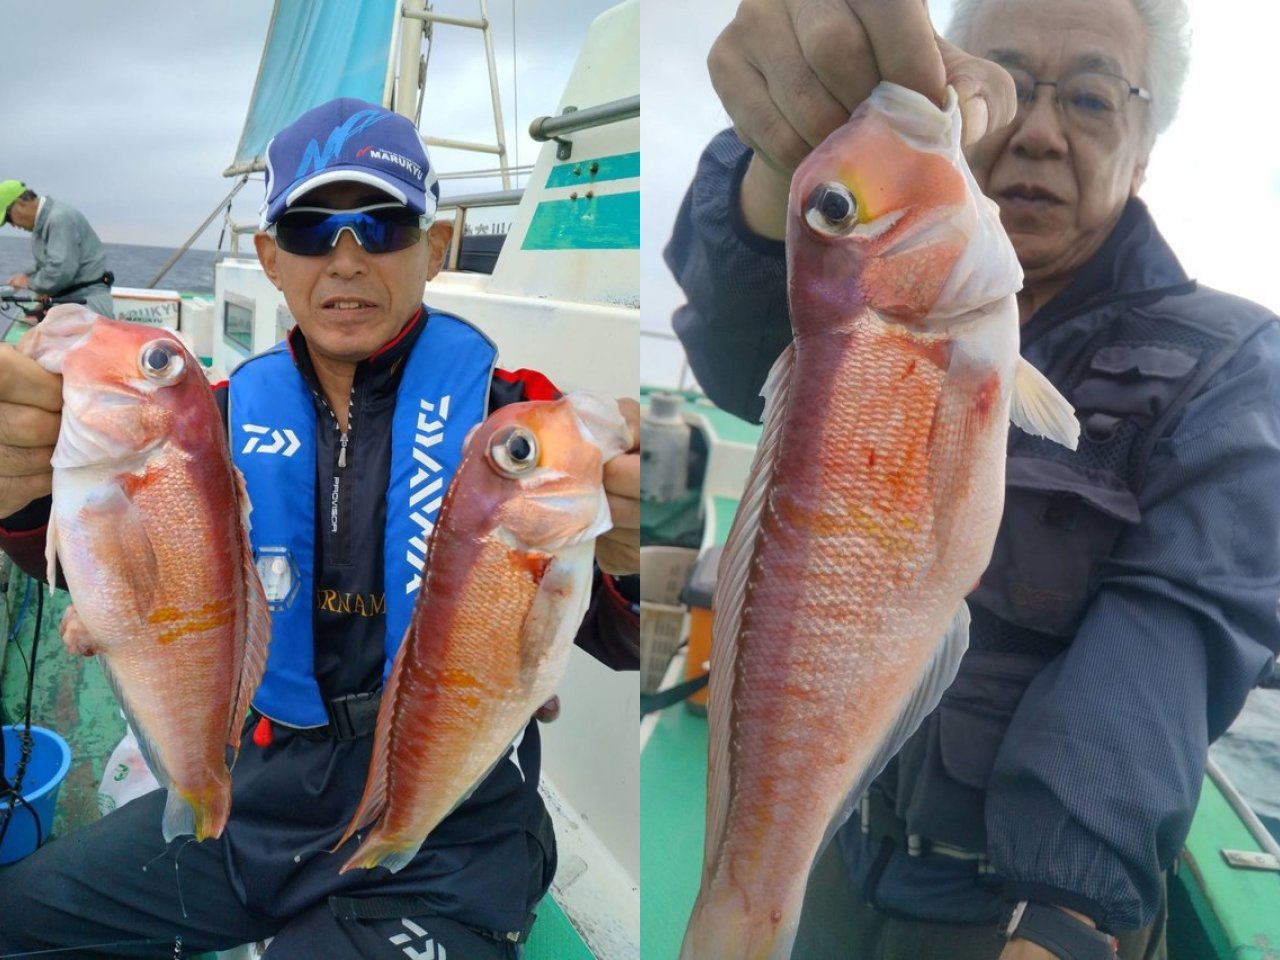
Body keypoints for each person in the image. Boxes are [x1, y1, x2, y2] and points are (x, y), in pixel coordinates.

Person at [664, 0, 1280, 958]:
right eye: (1009, 81)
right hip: (836, 850)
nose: (1037, 132)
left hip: (1015, 911)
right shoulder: (852, 310)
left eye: (1087, 95)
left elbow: (1178, 627)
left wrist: (1066, 912)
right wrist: (777, 162)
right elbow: (735, 328)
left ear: (1147, 146)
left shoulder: (1235, 360)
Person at [0, 97, 640, 959]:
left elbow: (616, 632)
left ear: (436, 247)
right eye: (310, 230)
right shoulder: (204, 423)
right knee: (23, 917)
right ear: (269, 256)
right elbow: (116, 576)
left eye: (382, 226)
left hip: (449, 826)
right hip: (257, 798)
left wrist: (637, 555)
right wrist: (20, 500)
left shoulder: (514, 427)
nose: (347, 261)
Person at [1, 179, 115, 318]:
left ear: (20, 203)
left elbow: (61, 272)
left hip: (87, 304)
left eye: (8, 218)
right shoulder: (42, 224)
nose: (12, 225)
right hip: (69, 302)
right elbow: (47, 263)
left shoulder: (59, 219)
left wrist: (28, 282)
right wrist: (26, 274)